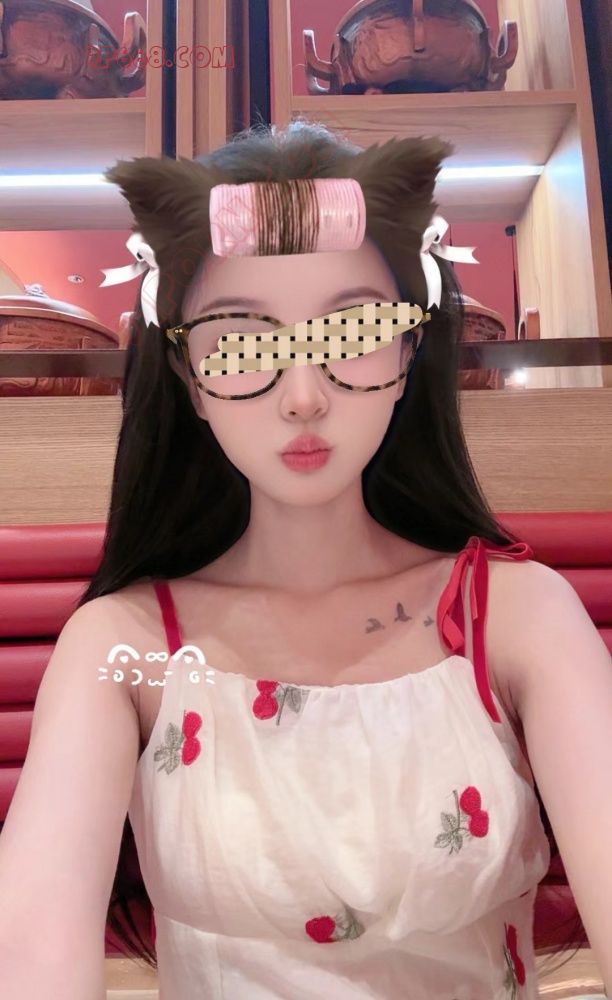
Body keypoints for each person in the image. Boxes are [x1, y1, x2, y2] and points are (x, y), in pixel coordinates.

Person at [0, 120, 610, 999]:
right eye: (242, 343)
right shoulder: (126, 648)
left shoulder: (513, 616)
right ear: (187, 377)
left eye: (353, 332)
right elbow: (29, 949)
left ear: (410, 349)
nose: (302, 394)